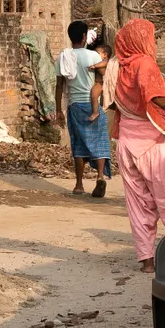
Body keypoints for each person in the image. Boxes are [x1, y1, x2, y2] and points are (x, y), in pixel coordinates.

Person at [111, 18, 165, 273]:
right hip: (155, 143)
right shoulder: (144, 63)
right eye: (152, 36)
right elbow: (152, 94)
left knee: (138, 205)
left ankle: (147, 260)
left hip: (126, 142)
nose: (154, 41)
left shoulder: (115, 66)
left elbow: (113, 103)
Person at [56, 20, 111, 197]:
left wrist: (58, 110)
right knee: (100, 141)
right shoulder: (93, 56)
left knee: (78, 144)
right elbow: (105, 76)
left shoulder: (63, 57)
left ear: (70, 37)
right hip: (93, 102)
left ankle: (79, 184)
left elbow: (59, 86)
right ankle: (100, 177)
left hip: (75, 105)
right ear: (84, 37)